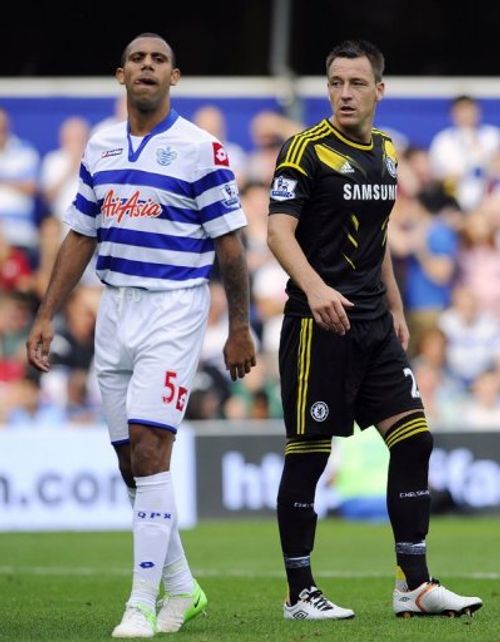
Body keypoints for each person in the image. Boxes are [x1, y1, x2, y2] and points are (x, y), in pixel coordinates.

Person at [26, 32, 256, 638]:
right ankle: (183, 588)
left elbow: (230, 246)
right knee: (133, 464)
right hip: (114, 311)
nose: (147, 67)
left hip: (175, 308)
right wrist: (47, 312)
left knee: (153, 450)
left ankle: (141, 604)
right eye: (137, 59)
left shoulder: (201, 149)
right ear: (120, 75)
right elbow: (80, 235)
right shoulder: (100, 146)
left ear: (174, 77)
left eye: (159, 60)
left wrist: (238, 325)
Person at [267, 39, 483, 621]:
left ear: (378, 90)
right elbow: (278, 233)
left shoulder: (387, 152)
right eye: (335, 82)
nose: (344, 93)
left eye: (356, 83)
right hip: (317, 325)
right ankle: (298, 593)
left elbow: (378, 236)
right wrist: (314, 288)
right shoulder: (305, 149)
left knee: (415, 440)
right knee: (309, 454)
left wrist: (393, 305)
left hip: (373, 325)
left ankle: (413, 585)